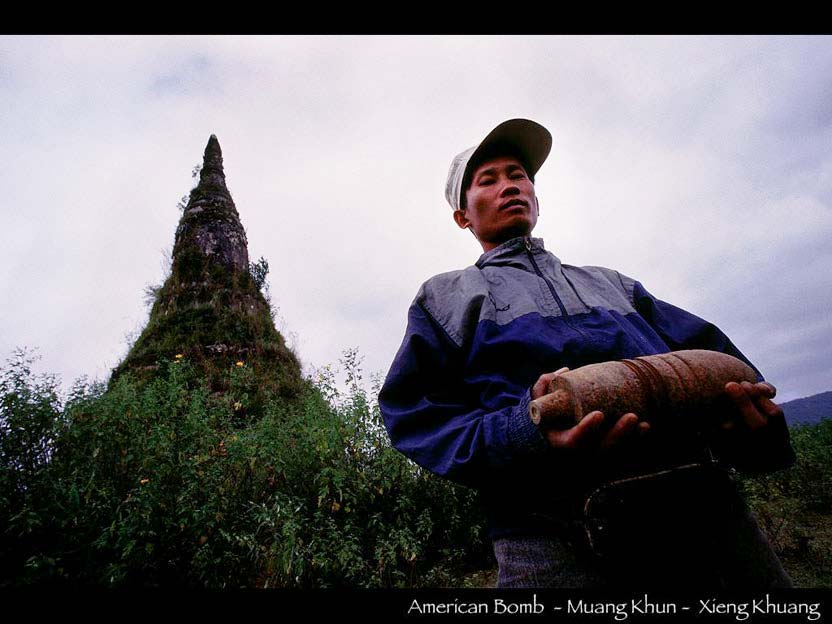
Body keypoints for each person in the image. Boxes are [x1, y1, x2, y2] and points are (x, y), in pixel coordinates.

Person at [378, 118, 795, 589]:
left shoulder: (614, 284)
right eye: (488, 180)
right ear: (463, 216)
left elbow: (723, 365)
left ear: (535, 196)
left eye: (518, 175)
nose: (509, 186)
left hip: (707, 516)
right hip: (551, 541)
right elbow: (416, 418)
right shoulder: (445, 298)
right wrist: (525, 431)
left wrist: (755, 428)